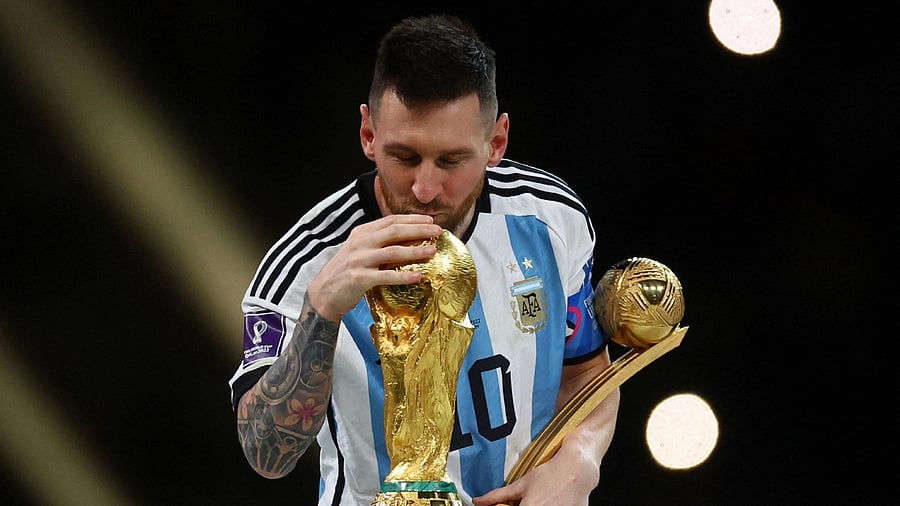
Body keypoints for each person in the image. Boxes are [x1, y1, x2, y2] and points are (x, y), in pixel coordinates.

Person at [228, 13, 620, 506]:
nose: (425, 189)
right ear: (368, 135)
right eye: (405, 157)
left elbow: (586, 373)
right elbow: (266, 455)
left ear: (496, 142)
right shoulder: (303, 266)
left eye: (452, 160)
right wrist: (322, 310)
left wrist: (580, 461)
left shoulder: (551, 219)